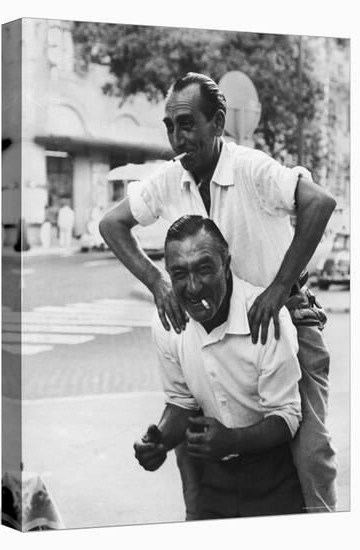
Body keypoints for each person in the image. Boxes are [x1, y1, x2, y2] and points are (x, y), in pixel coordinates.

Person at [100, 72, 337, 512]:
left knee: (309, 457)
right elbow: (112, 224)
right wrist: (157, 283)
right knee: (194, 458)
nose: (176, 138)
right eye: (169, 127)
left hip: (277, 322)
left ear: (219, 123)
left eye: (187, 124)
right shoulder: (170, 178)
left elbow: (318, 202)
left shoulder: (250, 167)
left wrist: (280, 286)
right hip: (207, 330)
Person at [134, 215, 305, 519]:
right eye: (179, 274)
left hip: (274, 479)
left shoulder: (267, 317)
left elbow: (287, 416)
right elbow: (181, 403)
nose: (193, 286)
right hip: (213, 479)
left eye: (204, 269)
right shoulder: (167, 326)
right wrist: (160, 441)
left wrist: (232, 440)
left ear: (226, 265)